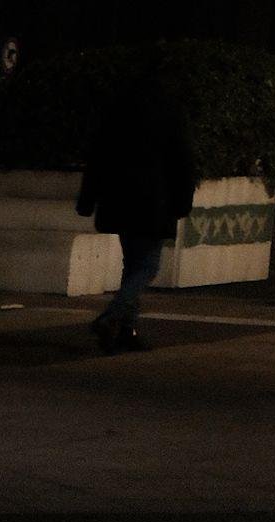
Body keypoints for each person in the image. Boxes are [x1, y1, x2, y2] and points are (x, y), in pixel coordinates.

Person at [77, 49, 199, 354]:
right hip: (154, 199)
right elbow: (183, 160)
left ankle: (126, 330)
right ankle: (112, 317)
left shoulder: (117, 106)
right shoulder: (171, 109)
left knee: (132, 263)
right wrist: (183, 200)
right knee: (147, 265)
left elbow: (98, 155)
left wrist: (88, 198)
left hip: (118, 196)